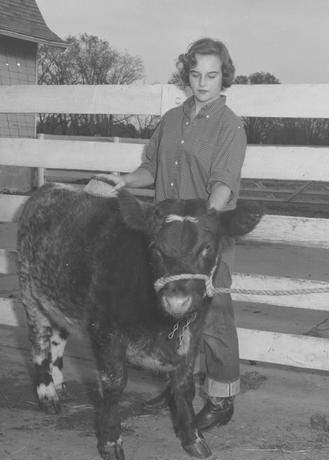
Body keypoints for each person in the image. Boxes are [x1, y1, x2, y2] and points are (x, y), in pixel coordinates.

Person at [101, 37, 246, 432]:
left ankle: (221, 399)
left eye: (212, 75)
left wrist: (206, 223)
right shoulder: (170, 120)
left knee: (214, 317)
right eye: (196, 74)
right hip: (167, 240)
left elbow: (224, 184)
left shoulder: (229, 127)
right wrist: (125, 180)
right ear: (187, 75)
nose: (203, 82)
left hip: (202, 240)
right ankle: (179, 387)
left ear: (224, 78)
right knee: (174, 314)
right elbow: (150, 168)